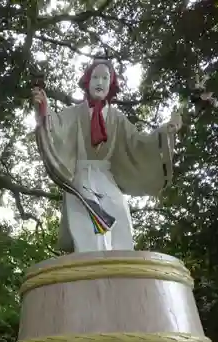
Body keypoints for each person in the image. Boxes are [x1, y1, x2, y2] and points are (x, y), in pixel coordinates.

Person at [32, 58, 182, 253]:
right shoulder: (75, 113)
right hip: (82, 179)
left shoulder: (117, 118)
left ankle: (122, 272)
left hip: (107, 178)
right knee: (90, 232)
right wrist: (42, 107)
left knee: (121, 219)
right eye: (95, 77)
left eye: (105, 78)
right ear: (87, 82)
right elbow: (55, 126)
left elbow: (139, 143)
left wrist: (164, 131)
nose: (99, 82)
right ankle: (91, 273)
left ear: (110, 84)